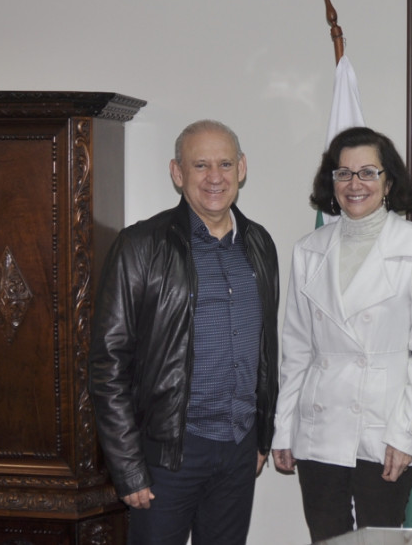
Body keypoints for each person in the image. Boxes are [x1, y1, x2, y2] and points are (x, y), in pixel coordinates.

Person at [89, 119, 279, 545]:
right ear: (177, 173)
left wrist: (262, 435)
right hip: (168, 455)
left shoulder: (260, 245)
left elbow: (267, 350)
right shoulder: (139, 246)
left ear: (242, 168)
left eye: (226, 164)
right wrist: (128, 466)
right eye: (201, 165)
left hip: (238, 447)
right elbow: (108, 365)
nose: (215, 177)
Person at [271, 126, 412, 542]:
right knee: (327, 539)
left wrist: (406, 434)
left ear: (389, 182)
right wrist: (283, 428)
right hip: (319, 428)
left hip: (385, 428)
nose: (355, 184)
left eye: (368, 172)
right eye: (344, 173)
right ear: (330, 182)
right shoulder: (307, 249)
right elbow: (295, 351)